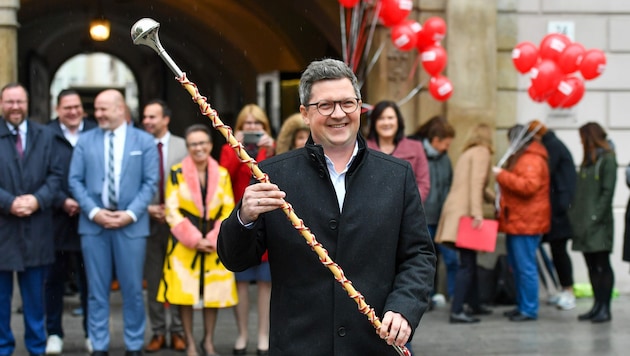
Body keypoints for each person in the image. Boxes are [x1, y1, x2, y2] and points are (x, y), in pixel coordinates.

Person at [217, 58, 436, 355]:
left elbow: (418, 255)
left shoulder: (396, 175)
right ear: (305, 114)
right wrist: (244, 217)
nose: (338, 114)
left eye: (348, 103)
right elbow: (235, 259)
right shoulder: (272, 175)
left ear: (360, 107)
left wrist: (404, 308)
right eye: (325, 106)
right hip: (299, 344)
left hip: (372, 344)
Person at [69, 89, 159, 355]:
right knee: (96, 291)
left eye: (103, 109)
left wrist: (129, 214)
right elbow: (75, 180)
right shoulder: (85, 141)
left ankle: (133, 345)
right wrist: (94, 212)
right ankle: (99, 346)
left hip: (130, 225)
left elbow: (150, 182)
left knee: (132, 290)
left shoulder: (143, 141)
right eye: (96, 109)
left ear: (120, 109)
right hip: (93, 225)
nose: (97, 114)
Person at [157, 124, 237, 356]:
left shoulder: (221, 174)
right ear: (188, 147)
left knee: (212, 296)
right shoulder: (176, 172)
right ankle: (190, 342)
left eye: (203, 143)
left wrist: (213, 238)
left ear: (210, 145)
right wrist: (193, 238)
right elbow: (171, 210)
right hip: (184, 244)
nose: (198, 148)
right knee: (185, 295)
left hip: (213, 243)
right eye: (193, 144)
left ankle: (208, 341)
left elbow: (228, 209)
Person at [0, 83, 63, 356]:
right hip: (2, 231)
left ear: (27, 103)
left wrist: (37, 199)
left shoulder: (45, 135)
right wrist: (8, 202)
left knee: (36, 301)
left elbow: (56, 175)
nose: (15, 107)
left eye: (19, 101)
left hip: (37, 229)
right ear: (1, 104)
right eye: (9, 102)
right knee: (0, 302)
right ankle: (3, 348)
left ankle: (36, 349)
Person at [219, 104, 274, 355]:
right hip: (239, 222)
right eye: (247, 124)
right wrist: (234, 148)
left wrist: (271, 149)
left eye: (257, 124)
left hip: (267, 222)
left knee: (266, 284)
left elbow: (271, 176)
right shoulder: (228, 149)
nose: (252, 128)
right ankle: (242, 334)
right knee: (240, 283)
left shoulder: (271, 148)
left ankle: (263, 336)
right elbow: (224, 176)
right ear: (239, 127)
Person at [45, 89, 97, 354]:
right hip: (56, 220)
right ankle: (54, 333)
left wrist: (87, 201)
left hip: (90, 219)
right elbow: (39, 174)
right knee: (53, 280)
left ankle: (92, 332)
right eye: (67, 108)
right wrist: (62, 200)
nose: (73, 111)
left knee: (91, 280)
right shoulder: (46, 135)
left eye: (77, 107)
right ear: (58, 110)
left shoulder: (95, 131)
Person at [434, 123, 495, 324]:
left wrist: (492, 198)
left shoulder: (467, 153)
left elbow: (472, 184)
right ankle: (458, 310)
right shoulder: (482, 152)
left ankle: (474, 304)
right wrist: (478, 213)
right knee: (467, 265)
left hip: (455, 211)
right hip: (466, 214)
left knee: (468, 262)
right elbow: (476, 184)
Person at [141, 99, 188, 352]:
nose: (147, 121)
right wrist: (147, 208)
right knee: (154, 280)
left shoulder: (183, 145)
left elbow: (191, 180)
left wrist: (173, 211)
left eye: (152, 117)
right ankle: (158, 331)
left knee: (178, 279)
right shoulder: (137, 145)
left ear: (166, 119)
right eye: (145, 117)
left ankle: (178, 331)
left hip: (178, 222)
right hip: (147, 222)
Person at [493, 124, 550, 322]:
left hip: (526, 221)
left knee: (525, 267)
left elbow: (528, 186)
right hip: (518, 219)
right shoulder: (526, 157)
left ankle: (529, 309)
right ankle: (522, 305)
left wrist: (501, 175)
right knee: (517, 266)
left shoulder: (531, 159)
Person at [568, 122, 617, 323]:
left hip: (598, 223)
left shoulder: (607, 160)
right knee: (591, 265)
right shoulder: (589, 161)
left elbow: (608, 192)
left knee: (602, 264)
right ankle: (597, 305)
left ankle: (605, 307)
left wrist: (596, 216)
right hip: (584, 222)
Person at [526, 120, 578, 311]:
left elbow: (544, 173)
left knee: (559, 252)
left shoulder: (552, 147)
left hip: (558, 210)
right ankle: (561, 289)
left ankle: (567, 290)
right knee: (556, 251)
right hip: (557, 208)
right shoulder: (554, 145)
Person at [410, 116, 457, 303]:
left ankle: (453, 296)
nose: (447, 148)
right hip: (423, 217)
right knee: (427, 260)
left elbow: (450, 184)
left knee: (451, 258)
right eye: (446, 143)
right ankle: (427, 296)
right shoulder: (416, 154)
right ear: (435, 140)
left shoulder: (445, 159)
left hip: (443, 218)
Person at [366, 100, 430, 201]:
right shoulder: (362, 149)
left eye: (390, 118)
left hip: (407, 211)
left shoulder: (416, 147)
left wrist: (408, 206)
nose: (386, 123)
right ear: (374, 122)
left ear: (398, 121)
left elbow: (423, 184)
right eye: (381, 118)